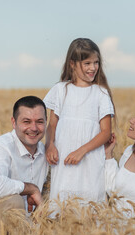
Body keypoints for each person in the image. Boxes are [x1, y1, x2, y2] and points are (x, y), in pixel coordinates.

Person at [43, 38, 115, 206]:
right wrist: (50, 145)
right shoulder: (60, 90)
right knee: (62, 204)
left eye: (96, 63)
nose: (93, 68)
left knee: (89, 205)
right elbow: (51, 125)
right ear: (73, 64)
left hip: (89, 159)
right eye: (87, 63)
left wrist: (81, 151)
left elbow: (105, 133)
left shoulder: (101, 94)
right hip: (63, 159)